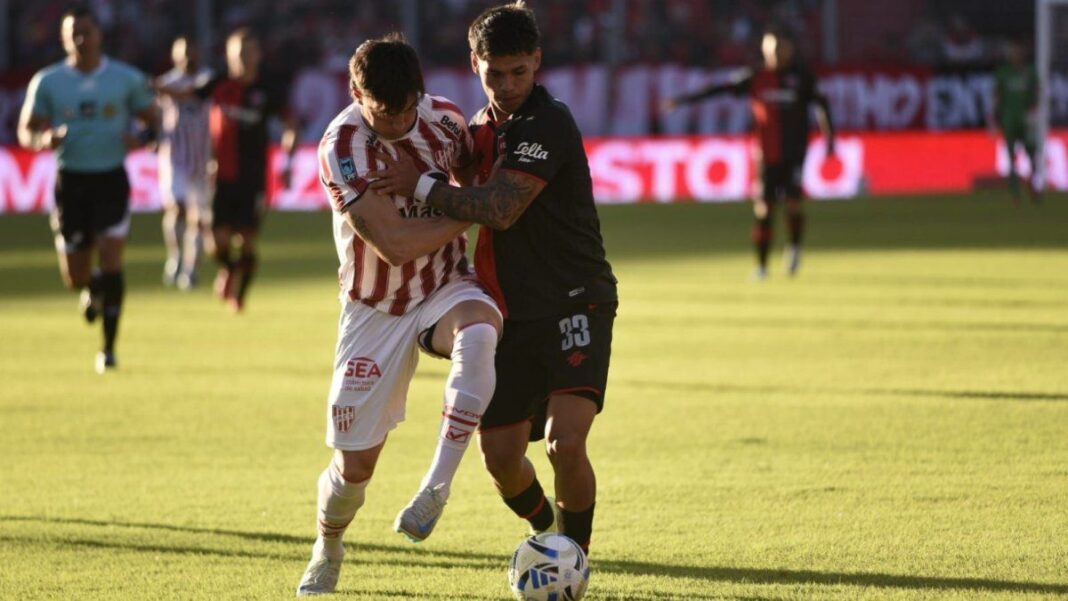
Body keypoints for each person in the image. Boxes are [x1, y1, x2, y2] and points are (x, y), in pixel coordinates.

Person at [371, 2, 618, 556]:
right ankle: (547, 533)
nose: (507, 85)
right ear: (475, 62)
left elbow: (501, 208)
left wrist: (421, 186)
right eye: (495, 73)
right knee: (502, 460)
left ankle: (572, 556)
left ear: (537, 61)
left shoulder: (546, 123)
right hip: (507, 307)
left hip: (575, 300)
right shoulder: (477, 128)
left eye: (519, 72)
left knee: (564, 442)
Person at [295, 34, 502, 596]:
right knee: (354, 471)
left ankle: (435, 488)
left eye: (407, 109)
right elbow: (395, 245)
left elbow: (474, 181)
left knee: (480, 333)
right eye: (384, 114)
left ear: (421, 92)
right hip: (375, 306)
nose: (396, 122)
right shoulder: (342, 146)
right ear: (356, 94)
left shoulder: (447, 123)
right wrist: (478, 212)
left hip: (444, 284)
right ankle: (329, 546)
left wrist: (455, 195)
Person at [17, 6, 158, 373]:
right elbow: (25, 130)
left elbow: (154, 123)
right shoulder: (47, 82)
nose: (81, 39)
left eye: (87, 32)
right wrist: (43, 138)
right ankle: (89, 286)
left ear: (100, 36)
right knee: (75, 275)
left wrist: (140, 138)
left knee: (113, 260)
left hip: (111, 179)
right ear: (64, 39)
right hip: (72, 182)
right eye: (73, 33)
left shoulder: (125, 79)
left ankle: (108, 349)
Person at [664, 27, 835, 279]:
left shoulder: (802, 77)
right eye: (770, 49)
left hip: (794, 152)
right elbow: (720, 89)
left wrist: (830, 138)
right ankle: (762, 266)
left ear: (789, 49)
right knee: (764, 209)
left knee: (793, 204)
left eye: (779, 48)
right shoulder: (755, 76)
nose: (774, 53)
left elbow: (822, 105)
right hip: (766, 154)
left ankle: (794, 249)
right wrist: (683, 100)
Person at [160, 29, 299, 311]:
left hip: (254, 177)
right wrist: (153, 86)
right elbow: (187, 93)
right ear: (230, 56)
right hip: (221, 175)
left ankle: (240, 297)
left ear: (258, 55)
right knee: (216, 242)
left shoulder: (268, 89)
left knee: (247, 240)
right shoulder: (219, 82)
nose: (244, 59)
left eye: (249, 53)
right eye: (238, 54)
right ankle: (231, 270)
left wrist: (287, 161)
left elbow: (290, 124)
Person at [156, 36, 213, 289]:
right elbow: (156, 115)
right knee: (176, 209)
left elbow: (195, 95)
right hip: (175, 158)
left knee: (199, 219)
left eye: (192, 51)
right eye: (184, 52)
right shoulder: (168, 82)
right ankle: (176, 257)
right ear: (175, 56)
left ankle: (191, 269)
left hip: (204, 159)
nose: (189, 57)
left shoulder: (208, 80)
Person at [991, 40, 1040, 204]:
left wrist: (1033, 114)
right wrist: (994, 117)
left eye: (1019, 53)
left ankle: (1033, 184)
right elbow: (997, 96)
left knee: (1031, 154)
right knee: (1011, 158)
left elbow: (1036, 94)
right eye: (1014, 53)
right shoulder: (1003, 73)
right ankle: (1016, 194)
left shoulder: (1030, 72)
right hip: (1009, 119)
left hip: (1026, 120)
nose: (1016, 56)